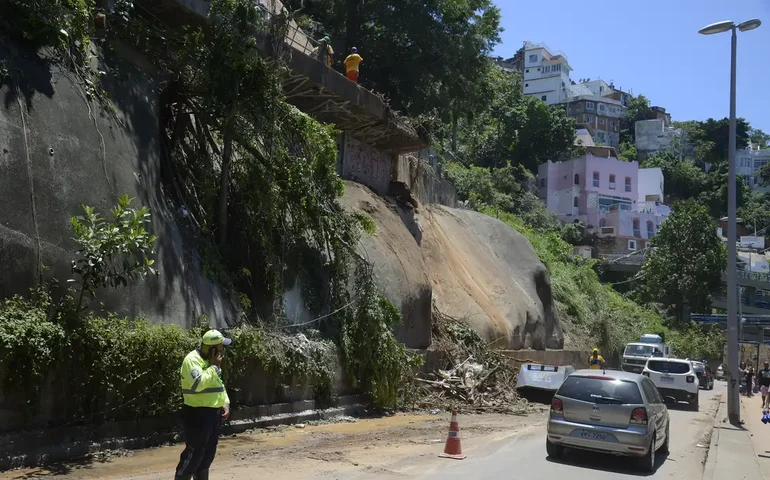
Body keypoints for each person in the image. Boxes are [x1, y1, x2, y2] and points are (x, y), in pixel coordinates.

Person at [174, 330, 232, 480]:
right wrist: (214, 368)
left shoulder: (210, 363)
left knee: (207, 456)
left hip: (213, 415)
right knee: (194, 455)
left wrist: (225, 402)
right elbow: (198, 384)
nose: (222, 350)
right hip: (198, 415)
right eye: (220, 346)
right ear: (212, 349)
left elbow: (219, 385)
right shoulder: (192, 360)